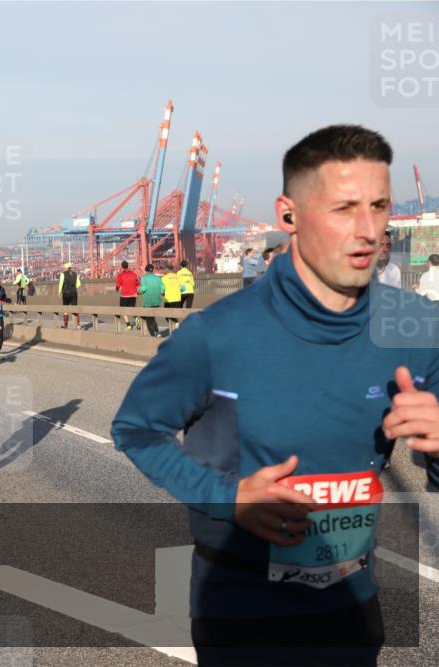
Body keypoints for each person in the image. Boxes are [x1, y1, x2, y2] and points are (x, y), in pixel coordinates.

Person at [112, 124, 439, 665]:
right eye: (343, 208)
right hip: (242, 615)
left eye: (379, 207)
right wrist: (228, 497)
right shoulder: (216, 334)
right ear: (288, 215)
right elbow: (135, 429)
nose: (368, 230)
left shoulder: (418, 328)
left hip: (352, 607)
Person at [137, 263, 164, 337]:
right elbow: (162, 288)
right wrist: (161, 293)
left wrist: (138, 292)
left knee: (149, 319)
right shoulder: (158, 278)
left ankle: (154, 334)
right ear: (153, 270)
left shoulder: (144, 278)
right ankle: (156, 332)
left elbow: (144, 288)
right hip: (157, 301)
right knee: (152, 318)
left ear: (146, 270)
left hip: (148, 302)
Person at [115, 260, 140, 330]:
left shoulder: (120, 275)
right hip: (133, 295)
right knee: (132, 309)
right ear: (128, 266)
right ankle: (137, 319)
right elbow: (138, 284)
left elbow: (117, 285)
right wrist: (137, 292)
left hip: (124, 295)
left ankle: (128, 326)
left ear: (122, 266)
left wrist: (117, 290)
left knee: (123, 311)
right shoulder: (134, 274)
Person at [58, 262, 82, 329]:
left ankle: (66, 325)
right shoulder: (75, 274)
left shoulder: (63, 274)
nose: (63, 269)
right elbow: (78, 284)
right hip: (74, 293)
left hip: (66, 293)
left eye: (64, 268)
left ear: (66, 268)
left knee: (66, 309)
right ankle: (78, 324)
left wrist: (59, 292)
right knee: (75, 308)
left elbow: (61, 283)